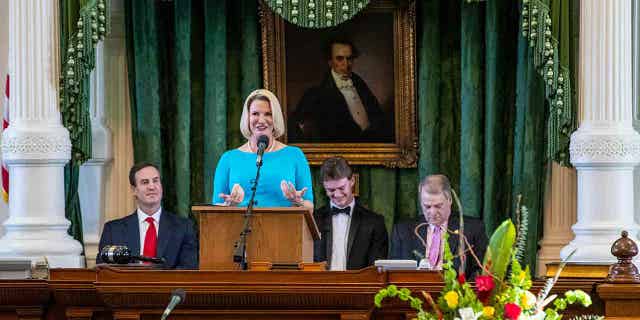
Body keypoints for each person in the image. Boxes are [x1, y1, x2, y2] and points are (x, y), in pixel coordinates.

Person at [213, 89, 313, 209]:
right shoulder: (228, 159)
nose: (261, 120)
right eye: (255, 114)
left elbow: (310, 207)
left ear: (275, 118)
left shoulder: (294, 155)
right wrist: (229, 205)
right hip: (239, 227)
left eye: (268, 114)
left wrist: (299, 202)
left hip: (283, 227)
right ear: (247, 118)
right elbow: (216, 208)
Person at [97, 162, 198, 269]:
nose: (151, 186)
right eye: (145, 182)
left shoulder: (184, 227)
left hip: (168, 285)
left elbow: (188, 269)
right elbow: (104, 271)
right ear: (134, 190)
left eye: (155, 181)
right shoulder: (113, 230)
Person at [290, 38, 392, 143]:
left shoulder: (361, 85)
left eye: (349, 59)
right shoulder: (316, 94)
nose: (346, 64)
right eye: (340, 59)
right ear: (330, 62)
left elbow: (379, 119)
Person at [390, 174, 488, 278]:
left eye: (438, 206)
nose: (432, 212)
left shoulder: (473, 229)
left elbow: (479, 272)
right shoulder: (402, 231)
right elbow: (393, 274)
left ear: (449, 200)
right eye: (427, 206)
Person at [313, 157, 388, 270]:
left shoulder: (374, 222)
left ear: (352, 181)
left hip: (360, 286)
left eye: (341, 188)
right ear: (324, 187)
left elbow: (376, 270)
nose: (337, 195)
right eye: (331, 190)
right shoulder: (313, 219)